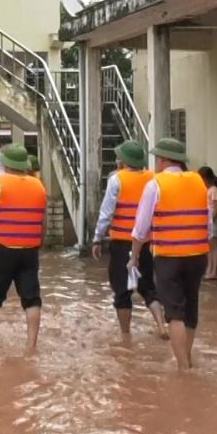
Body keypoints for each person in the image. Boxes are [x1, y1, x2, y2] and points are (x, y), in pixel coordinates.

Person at [129, 138, 210, 369]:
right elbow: (209, 225)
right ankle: (188, 359)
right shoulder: (199, 182)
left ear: (164, 159)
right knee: (191, 309)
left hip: (169, 257)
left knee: (175, 313)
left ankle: (183, 370)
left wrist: (134, 256)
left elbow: (141, 228)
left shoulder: (156, 184)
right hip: (197, 255)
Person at [0, 144, 47, 352]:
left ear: (6, 165)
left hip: (3, 250)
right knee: (32, 299)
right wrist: (38, 243)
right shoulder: (39, 186)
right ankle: (31, 345)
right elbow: (43, 224)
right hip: (29, 251)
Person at [92, 141, 165, 340]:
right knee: (149, 287)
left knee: (122, 291)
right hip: (147, 243)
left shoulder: (116, 180)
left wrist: (97, 238)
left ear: (123, 161)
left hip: (122, 242)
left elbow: (106, 213)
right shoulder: (153, 178)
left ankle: (126, 335)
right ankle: (161, 325)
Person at [197, 166, 217, 281]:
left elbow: (216, 210)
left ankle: (214, 271)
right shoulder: (208, 190)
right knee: (209, 248)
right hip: (208, 222)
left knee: (214, 247)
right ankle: (210, 269)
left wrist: (210, 219)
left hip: (213, 222)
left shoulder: (214, 190)